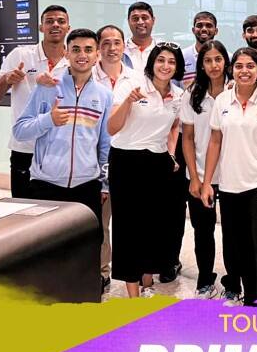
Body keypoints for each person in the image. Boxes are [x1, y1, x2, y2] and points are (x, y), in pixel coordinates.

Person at [201, 47, 257, 306]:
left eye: (250, 66)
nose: (244, 71)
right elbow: (215, 141)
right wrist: (208, 182)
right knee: (238, 247)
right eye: (239, 66)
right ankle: (251, 298)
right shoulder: (222, 101)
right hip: (230, 185)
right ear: (232, 70)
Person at [13, 28, 112, 237]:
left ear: (97, 56)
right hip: (46, 184)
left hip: (87, 186)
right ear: (66, 53)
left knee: (85, 248)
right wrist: (48, 119)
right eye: (76, 49)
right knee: (46, 248)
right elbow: (20, 131)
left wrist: (104, 184)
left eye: (88, 50)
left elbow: (105, 144)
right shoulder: (48, 87)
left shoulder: (104, 96)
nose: (82, 55)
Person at [106, 42, 186, 298]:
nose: (165, 66)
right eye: (161, 60)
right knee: (128, 226)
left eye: (171, 62)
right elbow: (111, 128)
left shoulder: (178, 94)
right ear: (152, 62)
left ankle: (148, 283)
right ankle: (133, 292)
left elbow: (174, 126)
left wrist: (171, 153)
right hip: (126, 161)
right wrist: (129, 102)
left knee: (154, 226)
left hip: (157, 163)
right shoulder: (132, 85)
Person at [0, 5, 70, 199]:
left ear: (68, 28)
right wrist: (6, 80)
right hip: (25, 150)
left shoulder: (75, 60)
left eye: (61, 21)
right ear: (41, 27)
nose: (55, 25)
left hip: (62, 152)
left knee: (60, 217)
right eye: (49, 21)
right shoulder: (21, 55)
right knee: (23, 214)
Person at [180, 40, 230, 300]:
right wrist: (195, 177)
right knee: (203, 230)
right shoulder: (192, 94)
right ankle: (205, 280)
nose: (213, 65)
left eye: (218, 59)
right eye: (207, 60)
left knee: (234, 233)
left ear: (225, 62)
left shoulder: (237, 90)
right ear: (201, 64)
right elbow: (187, 138)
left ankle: (234, 281)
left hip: (234, 176)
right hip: (199, 174)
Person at [91, 24, 137, 291]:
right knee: (101, 224)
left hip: (127, 162)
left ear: (123, 46)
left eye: (116, 42)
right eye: (105, 43)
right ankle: (102, 270)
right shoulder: (86, 78)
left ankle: (136, 273)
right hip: (96, 163)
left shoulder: (136, 78)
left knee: (131, 223)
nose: (111, 48)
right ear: (99, 47)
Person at [181, 11, 219, 85]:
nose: (204, 29)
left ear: (216, 31)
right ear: (193, 30)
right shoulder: (181, 56)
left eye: (209, 25)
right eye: (199, 25)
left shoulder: (226, 57)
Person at [123, 2, 159, 71]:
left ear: (153, 20)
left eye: (144, 18)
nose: (140, 22)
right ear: (128, 21)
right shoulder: (121, 50)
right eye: (135, 18)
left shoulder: (162, 49)